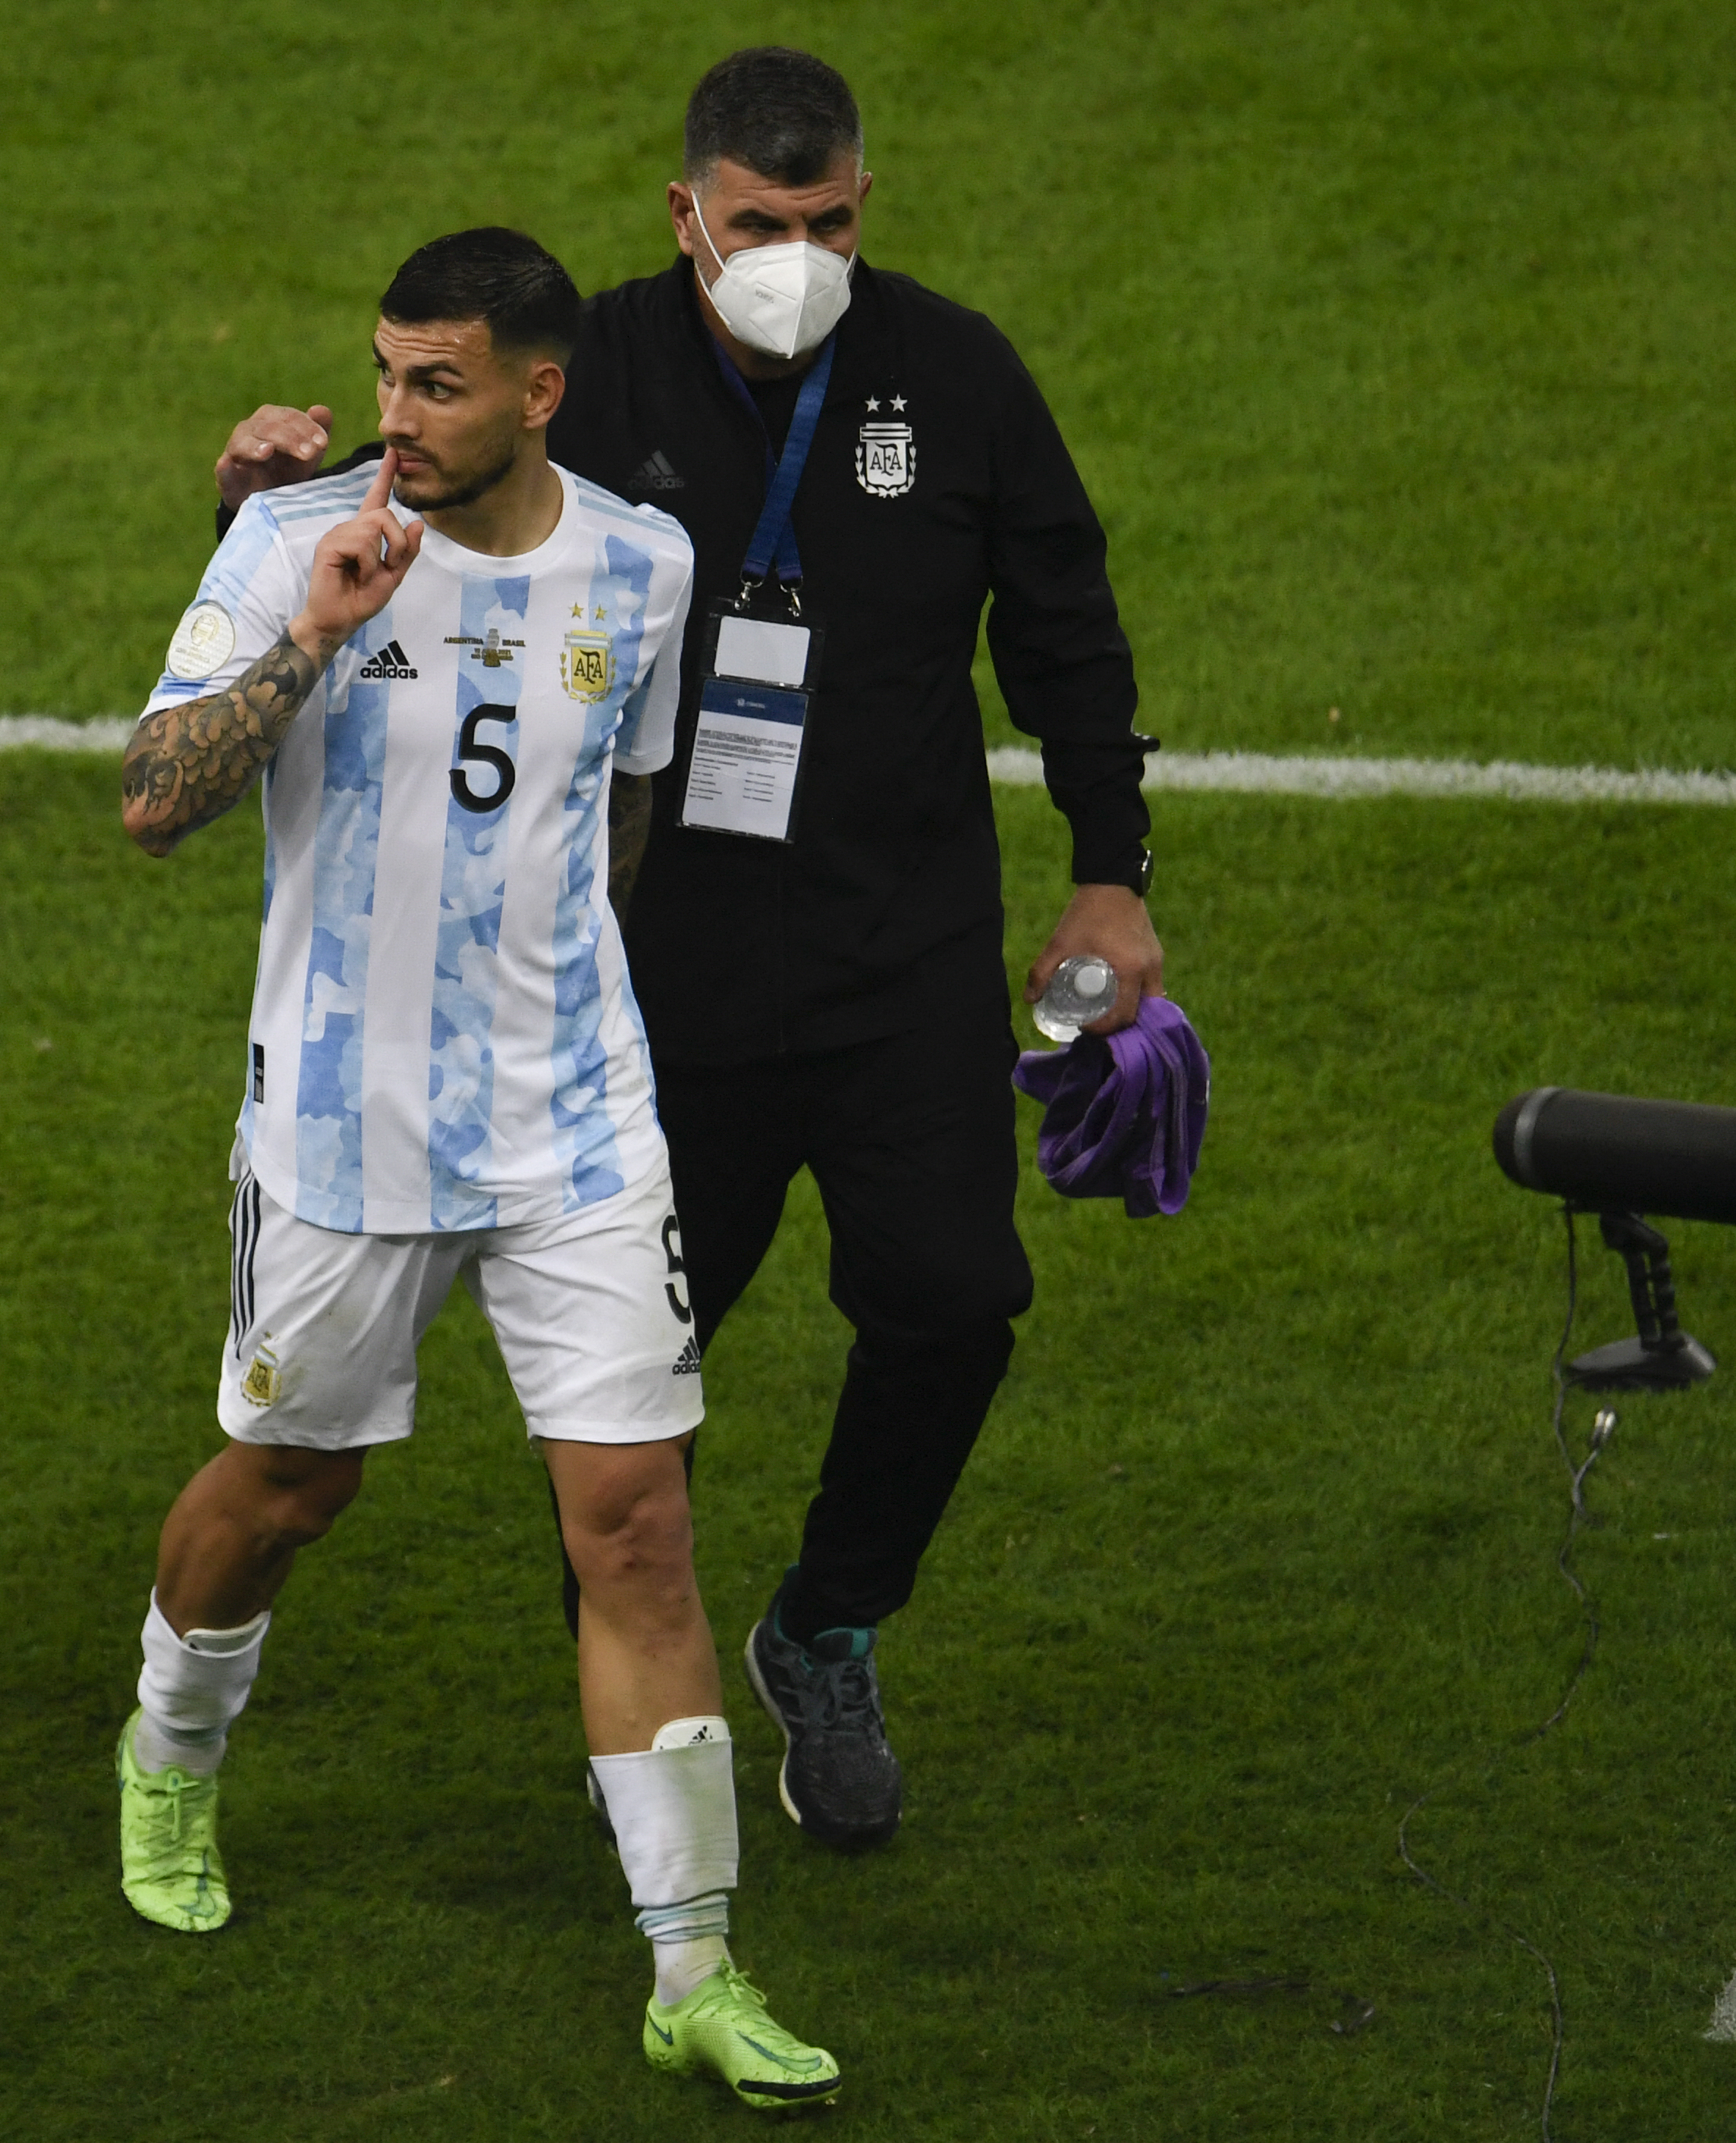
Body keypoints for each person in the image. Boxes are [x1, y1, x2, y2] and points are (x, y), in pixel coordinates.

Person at [212, 48, 1161, 1853]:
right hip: (655, 981)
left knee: (957, 1301)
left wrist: (1109, 869)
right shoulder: (594, 371)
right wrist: (250, 491)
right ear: (686, 215)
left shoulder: (956, 377)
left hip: (903, 957)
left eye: (825, 223)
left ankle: (824, 1626)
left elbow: (1069, 631)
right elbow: (398, 506)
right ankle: (633, 1696)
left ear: (865, 205)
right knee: (634, 1384)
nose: (793, 254)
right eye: (757, 225)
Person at [114, 228, 839, 2112]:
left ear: (542, 390)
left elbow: (623, 813)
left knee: (638, 1519)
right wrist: (315, 636)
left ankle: (694, 1960)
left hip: (578, 1127)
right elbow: (154, 799)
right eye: (386, 377)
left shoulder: (644, 560)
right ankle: (168, 1759)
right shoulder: (292, 544)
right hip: (343, 1134)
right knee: (290, 1487)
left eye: (439, 384)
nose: (398, 418)